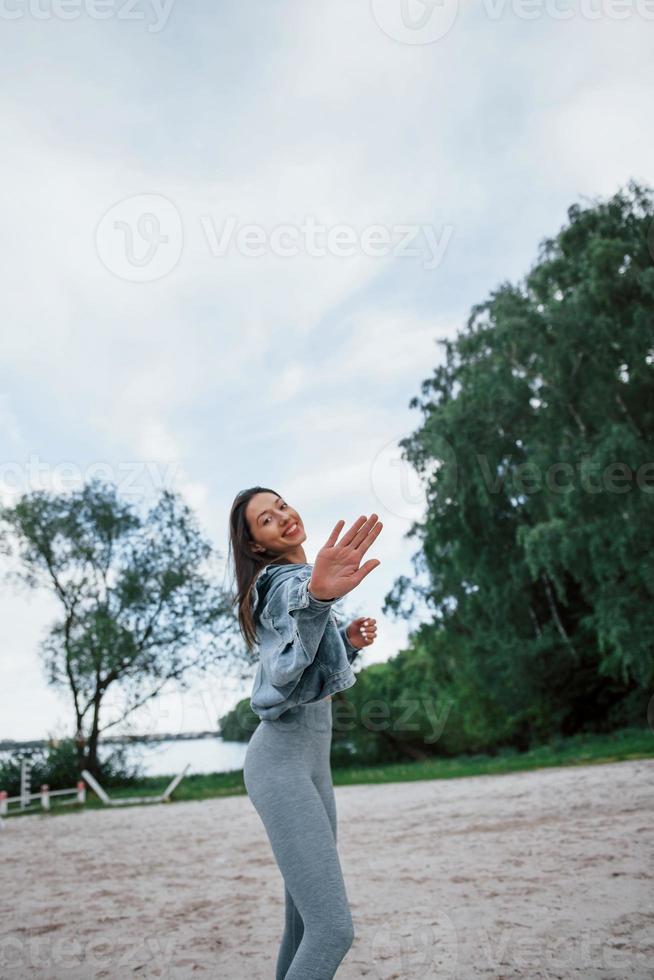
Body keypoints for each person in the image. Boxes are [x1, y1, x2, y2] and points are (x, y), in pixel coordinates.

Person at [228, 486, 382, 979]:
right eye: (266, 520)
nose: (283, 517)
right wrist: (317, 596)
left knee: (301, 927)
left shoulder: (300, 580)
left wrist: (345, 640)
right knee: (333, 931)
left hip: (314, 764)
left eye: (282, 506)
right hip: (281, 764)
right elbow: (294, 606)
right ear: (258, 546)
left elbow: (301, 656)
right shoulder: (280, 583)